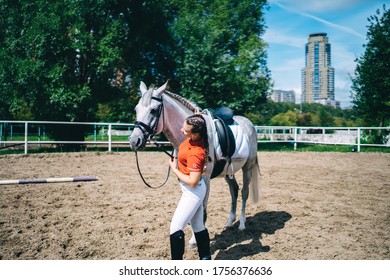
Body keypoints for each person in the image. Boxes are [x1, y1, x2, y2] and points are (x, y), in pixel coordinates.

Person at [168, 114, 211, 260]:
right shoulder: (196, 137)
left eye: (185, 130)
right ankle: (206, 260)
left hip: (192, 191)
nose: (181, 130)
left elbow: (192, 182)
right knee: (198, 227)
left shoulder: (196, 152)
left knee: (175, 228)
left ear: (196, 133)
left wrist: (174, 169)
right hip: (194, 188)